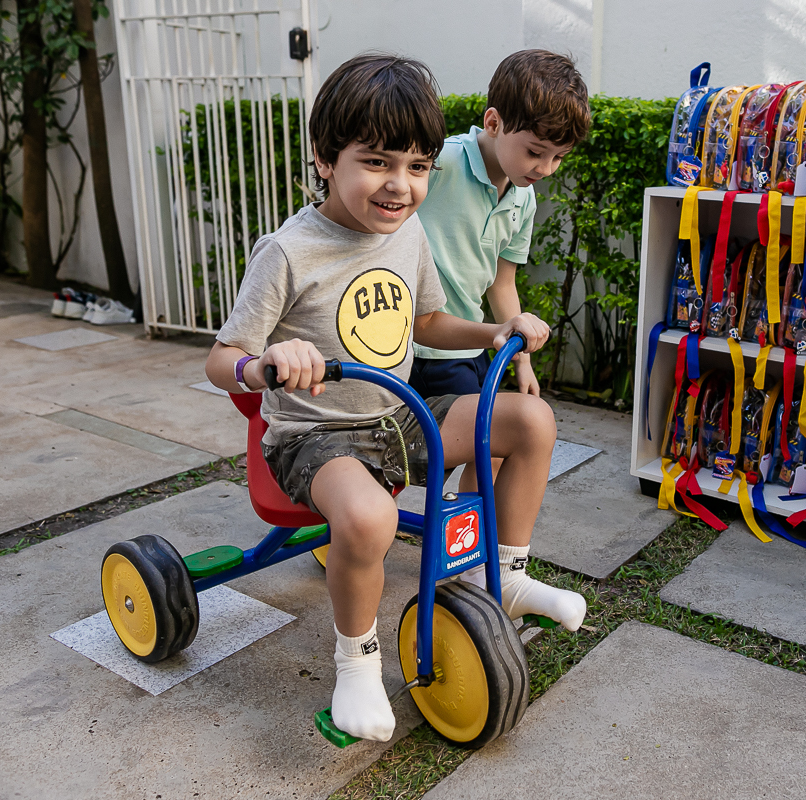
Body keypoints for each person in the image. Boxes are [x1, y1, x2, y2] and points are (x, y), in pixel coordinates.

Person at [204, 54, 587, 744]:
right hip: (314, 438)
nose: (400, 186)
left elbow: (428, 325)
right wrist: (265, 365)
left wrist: (495, 328)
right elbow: (219, 359)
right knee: (372, 517)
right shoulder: (287, 252)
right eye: (378, 162)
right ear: (325, 158)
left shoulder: (406, 234)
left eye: (417, 167)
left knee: (530, 419)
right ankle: (356, 662)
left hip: (395, 415)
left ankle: (506, 577)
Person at [411, 49, 590, 494]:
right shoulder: (440, 165)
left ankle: (470, 553)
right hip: (406, 344)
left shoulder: (523, 198)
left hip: (467, 346)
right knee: (409, 452)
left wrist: (522, 361)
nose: (545, 169)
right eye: (535, 152)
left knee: (488, 449)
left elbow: (501, 282)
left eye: (558, 158)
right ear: (493, 123)